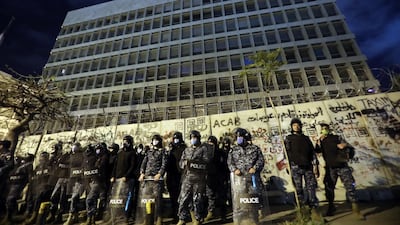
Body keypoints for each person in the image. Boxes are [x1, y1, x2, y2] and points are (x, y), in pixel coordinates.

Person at [315, 122, 364, 220]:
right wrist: (317, 143)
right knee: (329, 188)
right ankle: (331, 207)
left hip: (342, 166)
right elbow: (317, 151)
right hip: (330, 168)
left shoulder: (337, 137)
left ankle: (356, 209)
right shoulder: (321, 140)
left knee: (350, 186)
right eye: (322, 128)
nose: (324, 130)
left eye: (325, 128)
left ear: (329, 129)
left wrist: (344, 145)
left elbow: (350, 147)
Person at [284, 118, 324, 222]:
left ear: (301, 126)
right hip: (295, 167)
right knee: (298, 189)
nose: (296, 127)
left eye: (298, 125)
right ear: (291, 127)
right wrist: (287, 165)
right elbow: (286, 153)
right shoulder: (289, 138)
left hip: (307, 166)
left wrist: (315, 165)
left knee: (311, 188)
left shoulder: (306, 138)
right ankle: (302, 211)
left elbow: (312, 153)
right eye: (294, 125)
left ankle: (314, 210)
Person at [227, 128, 264, 225]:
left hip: (252, 178)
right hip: (239, 179)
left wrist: (255, 168)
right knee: (239, 199)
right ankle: (241, 220)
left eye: (241, 137)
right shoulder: (233, 150)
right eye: (237, 137)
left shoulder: (255, 148)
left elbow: (261, 160)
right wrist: (234, 169)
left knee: (253, 198)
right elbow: (229, 162)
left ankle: (254, 218)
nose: (239, 139)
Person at [138, 134, 168, 225]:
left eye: (156, 140)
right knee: (147, 200)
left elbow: (164, 164)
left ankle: (158, 219)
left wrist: (159, 174)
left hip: (156, 179)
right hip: (147, 178)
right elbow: (144, 162)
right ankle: (147, 218)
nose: (155, 141)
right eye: (153, 140)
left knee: (157, 199)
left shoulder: (163, 151)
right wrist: (142, 173)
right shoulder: (149, 151)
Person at [110, 135, 138, 222]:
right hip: (118, 180)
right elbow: (115, 166)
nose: (125, 143)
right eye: (124, 141)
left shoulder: (133, 153)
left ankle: (126, 216)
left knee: (128, 198)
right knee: (117, 198)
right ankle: (115, 216)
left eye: (127, 141)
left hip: (128, 179)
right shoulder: (120, 153)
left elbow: (133, 166)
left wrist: (126, 176)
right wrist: (113, 176)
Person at [83, 142, 110, 225]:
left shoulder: (104, 157)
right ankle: (91, 218)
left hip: (99, 181)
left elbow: (100, 168)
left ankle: (91, 216)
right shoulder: (95, 158)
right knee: (93, 199)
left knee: (89, 199)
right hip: (92, 181)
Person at [25, 151, 53, 225]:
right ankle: (33, 214)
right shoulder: (37, 167)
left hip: (47, 189)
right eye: (41, 157)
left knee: (39, 197)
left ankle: (35, 217)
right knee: (33, 196)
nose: (42, 159)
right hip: (38, 188)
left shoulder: (50, 166)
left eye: (44, 157)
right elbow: (34, 179)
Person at [4, 154, 33, 224]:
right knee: (9, 201)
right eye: (15, 159)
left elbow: (30, 177)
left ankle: (10, 217)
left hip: (19, 185)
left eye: (17, 159)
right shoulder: (13, 168)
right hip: (12, 186)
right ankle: (12, 216)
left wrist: (27, 186)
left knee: (10, 200)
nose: (16, 161)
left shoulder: (26, 167)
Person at [47, 142, 71, 224]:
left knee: (62, 199)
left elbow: (71, 167)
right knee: (54, 197)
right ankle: (52, 215)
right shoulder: (60, 157)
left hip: (66, 179)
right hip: (58, 179)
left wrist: (63, 166)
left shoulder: (71, 156)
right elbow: (51, 165)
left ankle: (59, 217)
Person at [166, 132, 186, 223]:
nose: (175, 140)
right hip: (171, 176)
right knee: (173, 197)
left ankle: (181, 215)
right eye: (174, 139)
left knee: (181, 197)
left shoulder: (184, 149)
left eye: (177, 138)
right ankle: (174, 214)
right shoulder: (171, 150)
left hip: (181, 175)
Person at [63, 142, 84, 225]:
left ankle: (71, 216)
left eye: (75, 146)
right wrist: (67, 153)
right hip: (71, 179)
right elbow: (63, 162)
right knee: (73, 197)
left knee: (74, 197)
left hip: (80, 179)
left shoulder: (82, 155)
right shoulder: (70, 156)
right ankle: (75, 216)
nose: (73, 148)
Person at [204, 135, 218, 222]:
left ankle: (211, 211)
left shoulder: (218, 152)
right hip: (205, 177)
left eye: (212, 143)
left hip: (216, 177)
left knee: (211, 195)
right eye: (209, 143)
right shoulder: (204, 152)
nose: (210, 145)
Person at [0, 140, 14, 221]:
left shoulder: (8, 154)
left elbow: (10, 165)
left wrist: (1, 170)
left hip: (3, 178)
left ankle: (4, 214)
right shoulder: (1, 153)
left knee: (2, 196)